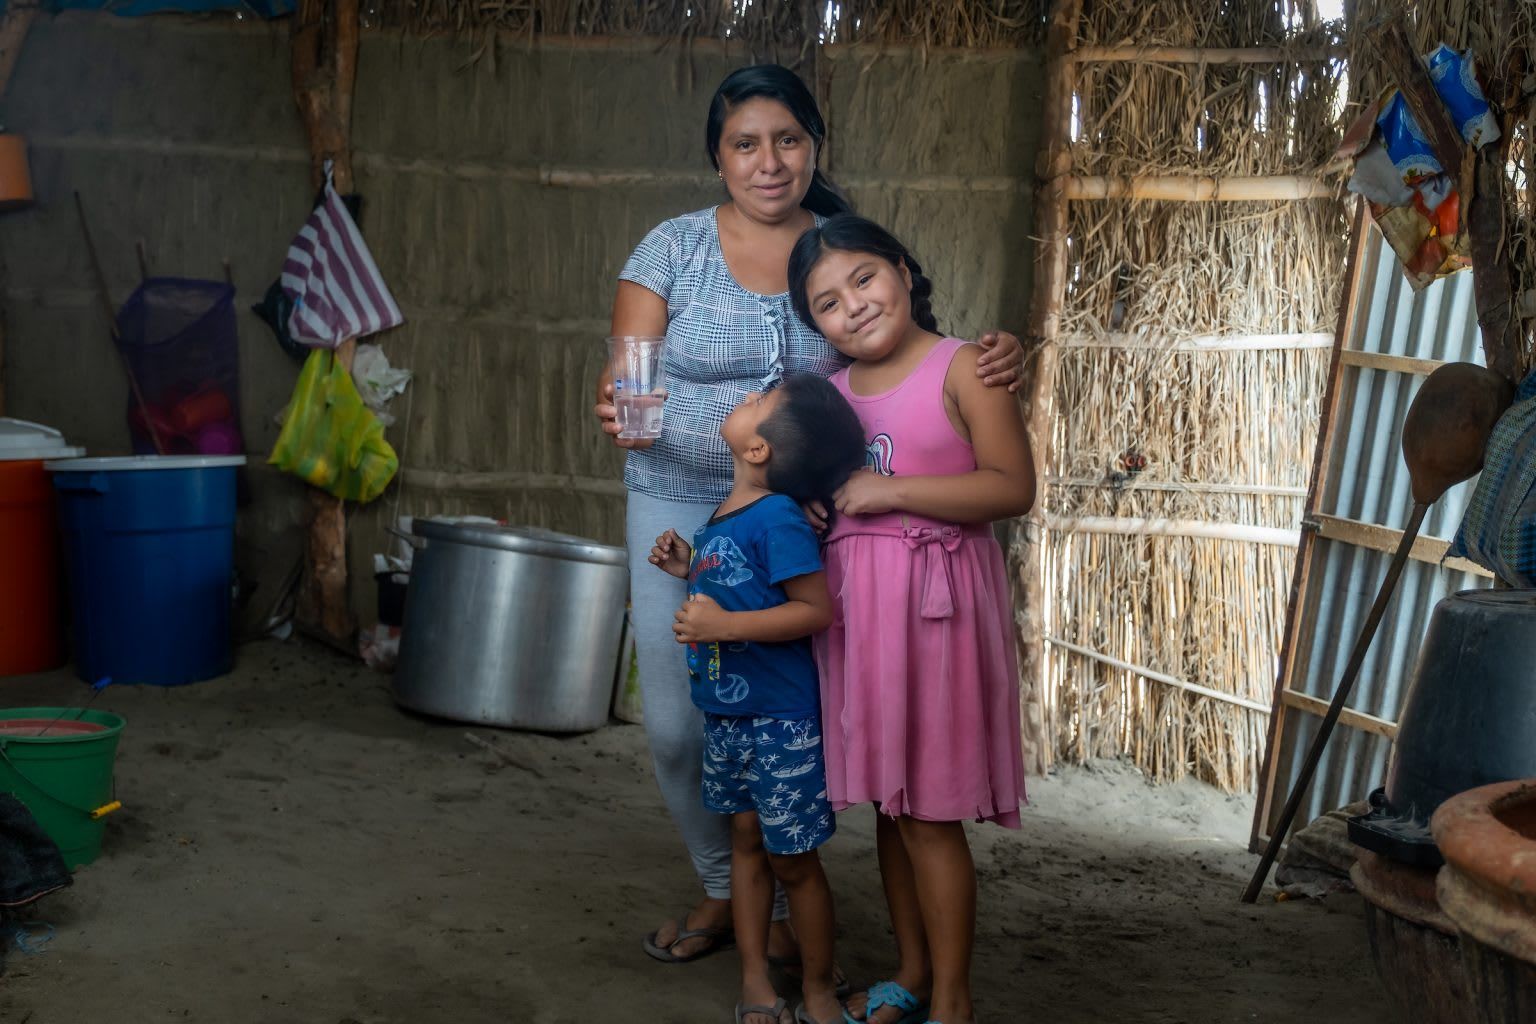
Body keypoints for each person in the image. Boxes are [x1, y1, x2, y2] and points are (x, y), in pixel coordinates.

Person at [595, 62, 1028, 971]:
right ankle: (727, 882)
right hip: (684, 501)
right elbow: (632, 403)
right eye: (744, 144)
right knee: (680, 723)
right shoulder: (668, 250)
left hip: (804, 518)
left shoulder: (833, 248)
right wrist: (622, 412)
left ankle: (788, 888)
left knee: (792, 713)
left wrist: (999, 355)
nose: (768, 161)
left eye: (787, 140)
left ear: (814, 146)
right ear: (716, 157)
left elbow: (907, 347)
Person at [787, 214, 1036, 1024]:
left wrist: (889, 491)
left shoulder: (965, 367)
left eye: (864, 278)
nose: (853, 306)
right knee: (893, 811)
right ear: (814, 324)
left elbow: (1009, 488)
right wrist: (821, 510)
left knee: (930, 815)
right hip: (863, 624)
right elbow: (817, 492)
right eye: (827, 302)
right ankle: (912, 973)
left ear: (901, 266)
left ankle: (952, 1003)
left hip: (939, 620)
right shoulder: (827, 396)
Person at [648, 375, 867, 1024]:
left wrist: (722, 627)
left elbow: (813, 609)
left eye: (755, 404)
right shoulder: (724, 514)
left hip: (780, 719)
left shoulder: (777, 518)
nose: (742, 401)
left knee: (793, 859)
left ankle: (821, 990)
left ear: (760, 451)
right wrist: (690, 565)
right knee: (746, 841)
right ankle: (756, 981)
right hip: (726, 716)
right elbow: (746, 585)